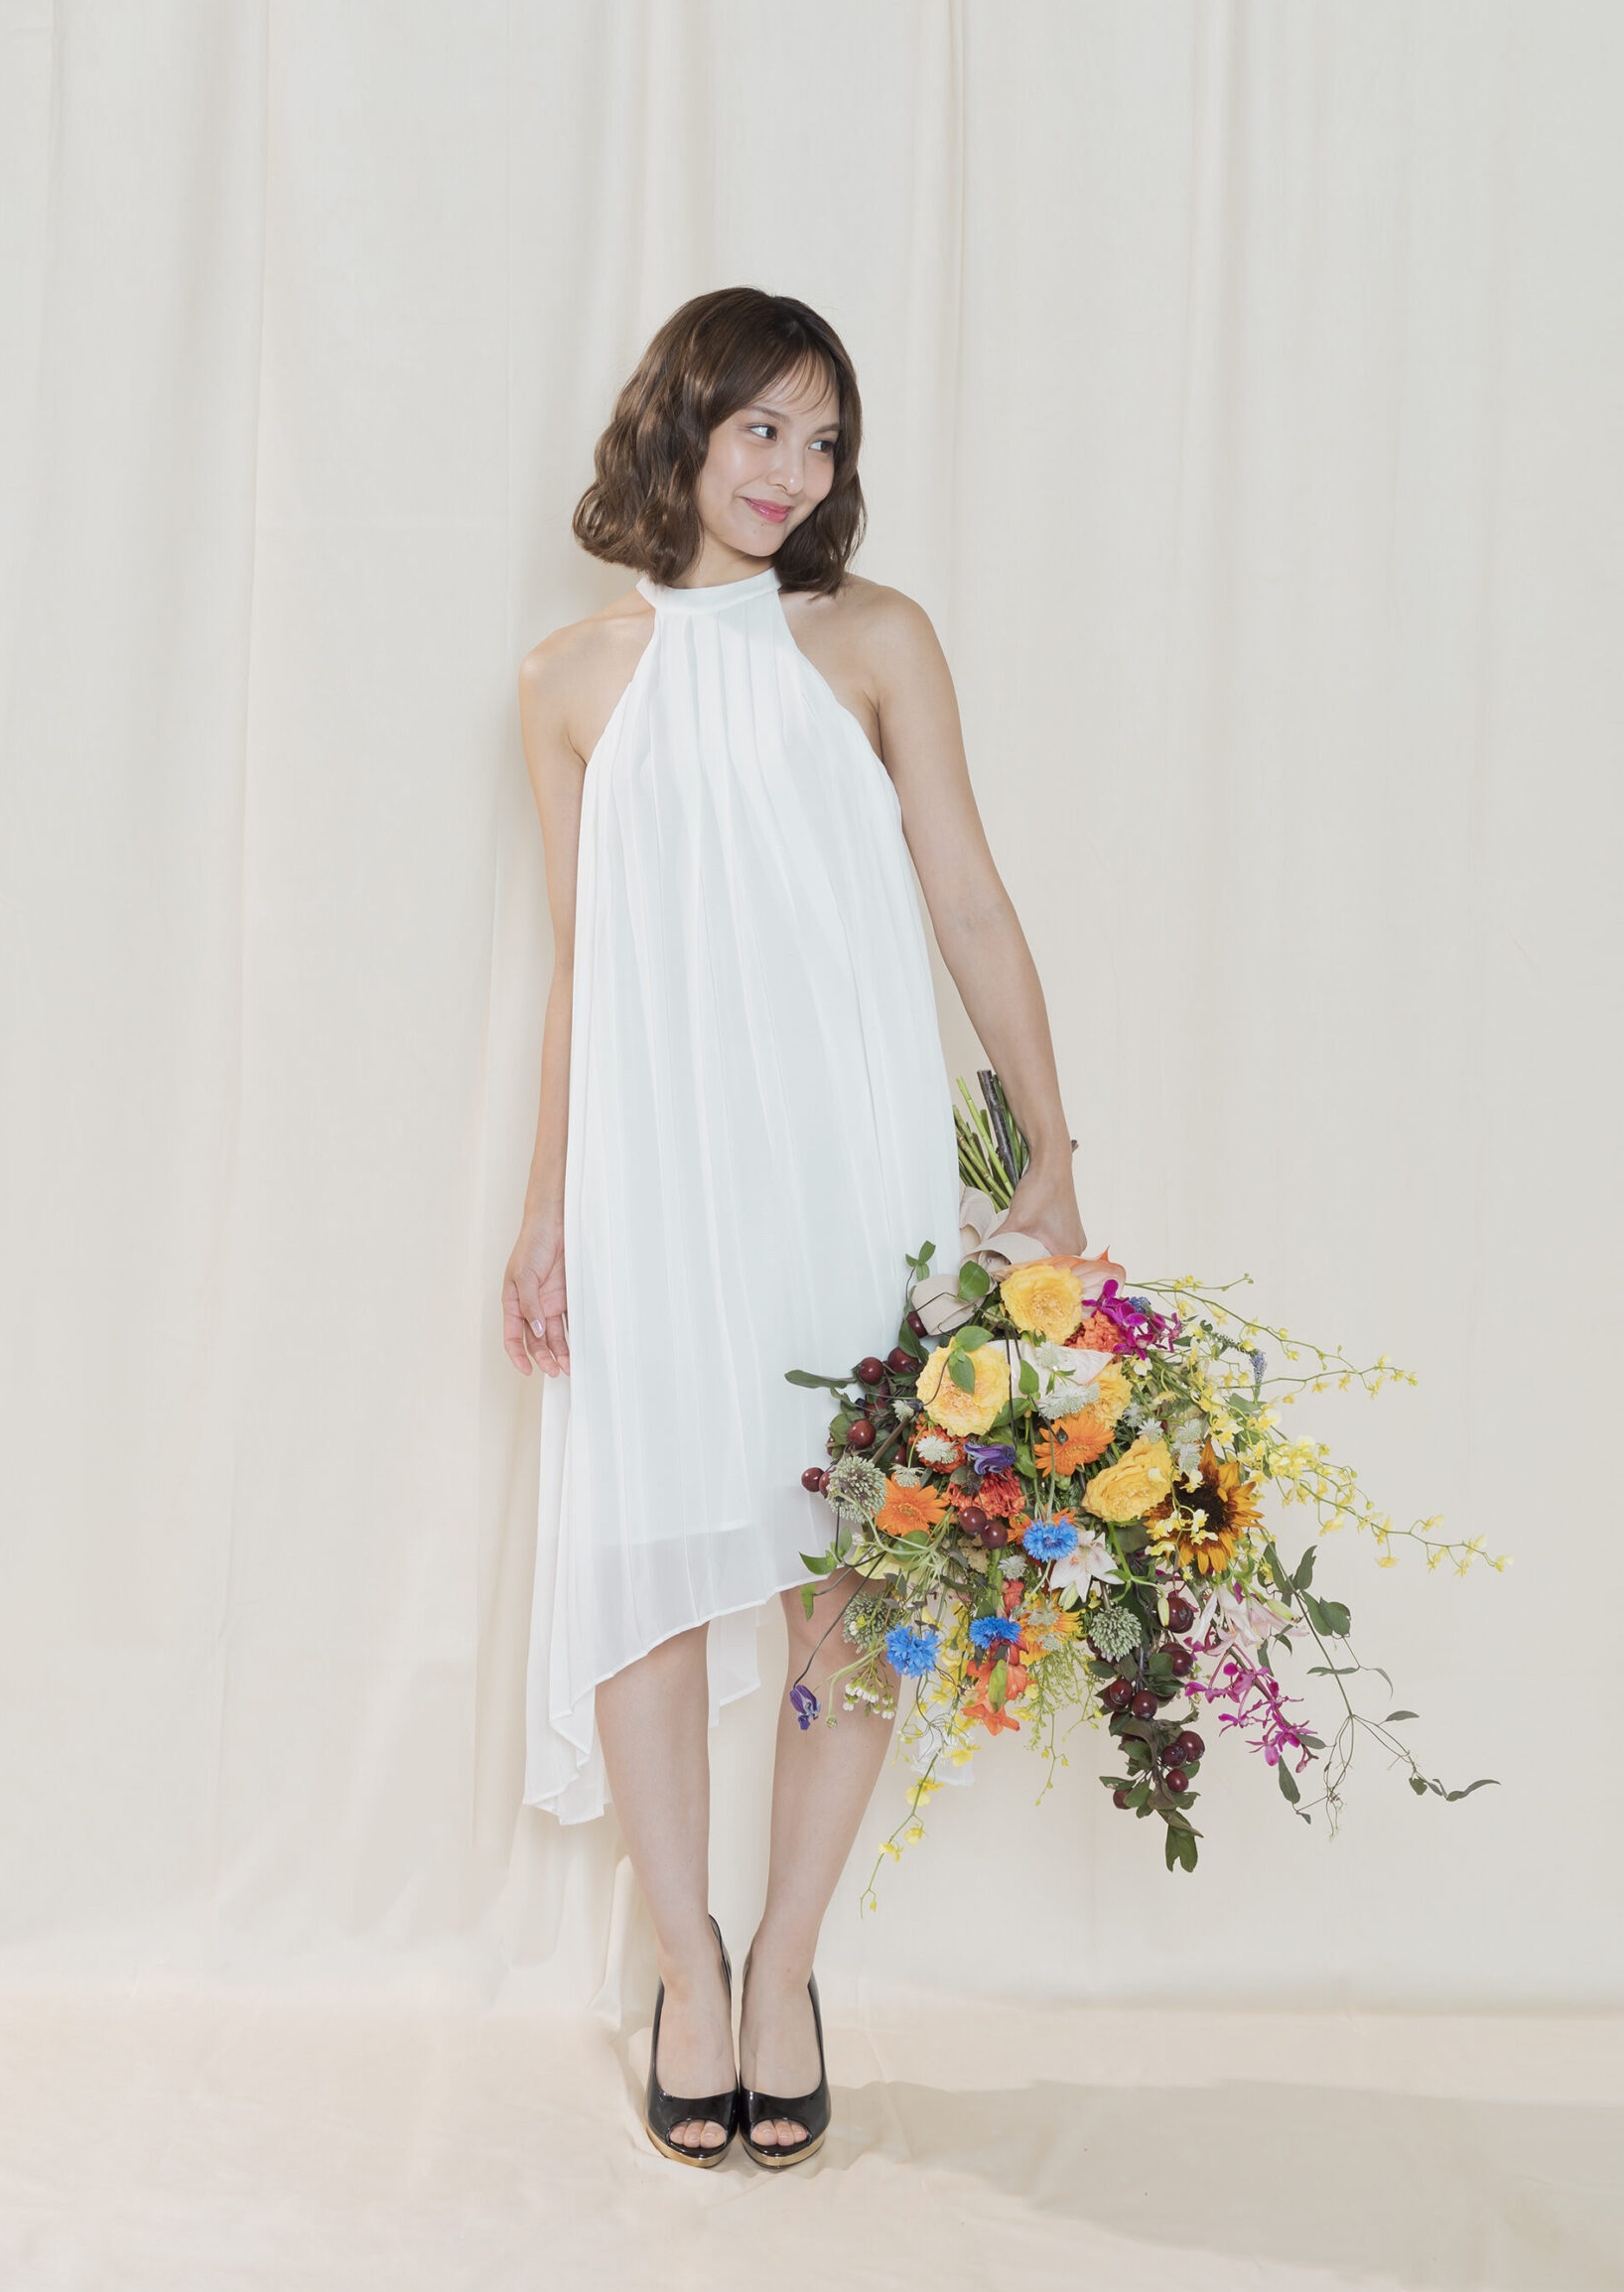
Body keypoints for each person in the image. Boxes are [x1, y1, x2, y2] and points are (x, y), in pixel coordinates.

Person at [501, 287, 1084, 2168]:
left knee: (857, 1569)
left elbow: (968, 899)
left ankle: (787, 1970)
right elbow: (585, 966)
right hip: (660, 1175)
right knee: (652, 1560)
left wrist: (1049, 1155)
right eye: (762, 426)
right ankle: (687, 1966)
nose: (794, 471)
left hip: (852, 1164)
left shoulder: (875, 640)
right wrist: (546, 1209)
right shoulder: (570, 681)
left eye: (823, 440)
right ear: (679, 423)